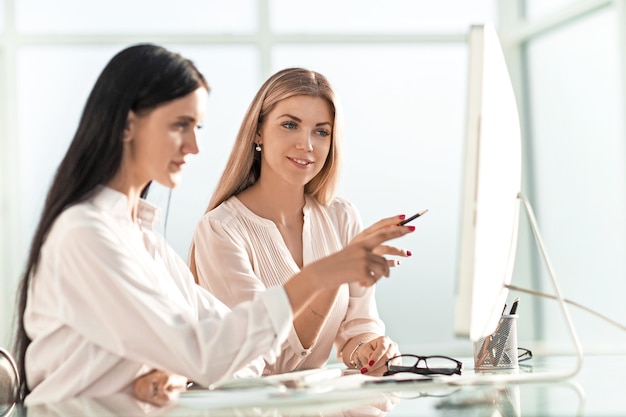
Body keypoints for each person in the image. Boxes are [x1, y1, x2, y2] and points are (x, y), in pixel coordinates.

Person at [12, 45, 414, 406]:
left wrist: (176, 373)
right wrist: (323, 275)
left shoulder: (142, 238)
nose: (194, 146)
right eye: (179, 125)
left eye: (197, 128)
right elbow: (209, 351)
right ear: (127, 124)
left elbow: (235, 348)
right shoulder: (87, 235)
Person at [190, 68, 413, 377]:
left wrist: (371, 350)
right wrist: (332, 273)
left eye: (321, 131)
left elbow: (357, 330)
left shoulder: (341, 217)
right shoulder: (221, 230)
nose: (306, 144)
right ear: (258, 131)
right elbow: (265, 359)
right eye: (290, 125)